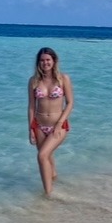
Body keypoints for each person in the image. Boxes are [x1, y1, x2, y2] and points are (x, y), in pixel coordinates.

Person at [28, 47, 74, 195]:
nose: (45, 63)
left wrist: (60, 123)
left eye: (48, 60)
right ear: (38, 63)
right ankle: (54, 179)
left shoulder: (63, 79)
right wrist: (30, 129)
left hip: (58, 126)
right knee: (47, 157)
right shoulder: (34, 81)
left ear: (54, 61)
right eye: (42, 60)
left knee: (42, 156)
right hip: (39, 126)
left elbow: (70, 103)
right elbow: (31, 107)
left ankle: (48, 194)